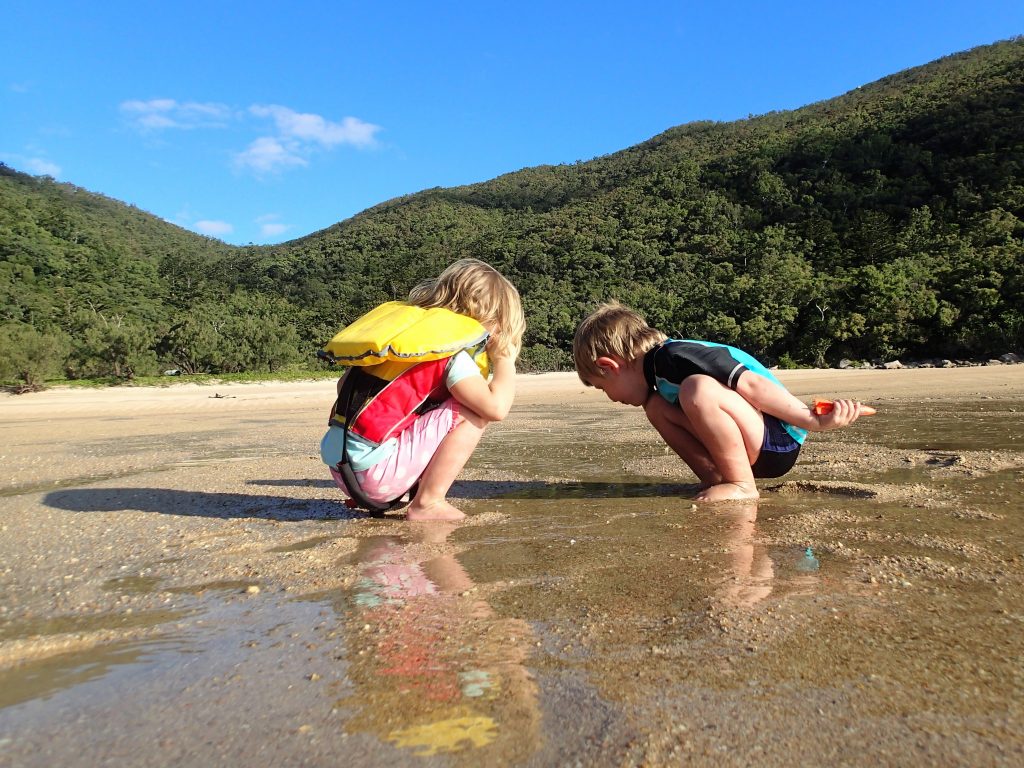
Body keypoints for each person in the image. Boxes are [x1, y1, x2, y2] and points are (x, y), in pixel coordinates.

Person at [572, 302, 867, 502]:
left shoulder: (673, 357)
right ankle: (717, 479)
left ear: (610, 366)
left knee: (697, 389)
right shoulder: (657, 384)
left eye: (602, 387)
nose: (611, 398)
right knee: (657, 406)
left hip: (779, 440)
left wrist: (811, 419)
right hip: (752, 444)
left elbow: (752, 384)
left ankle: (742, 485)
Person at [321, 259, 525, 521]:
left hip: (342, 469)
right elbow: (496, 409)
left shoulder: (395, 344)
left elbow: (343, 387)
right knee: (472, 412)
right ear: (487, 320)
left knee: (431, 409)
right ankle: (428, 503)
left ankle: (404, 492)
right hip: (374, 475)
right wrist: (505, 359)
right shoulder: (451, 354)